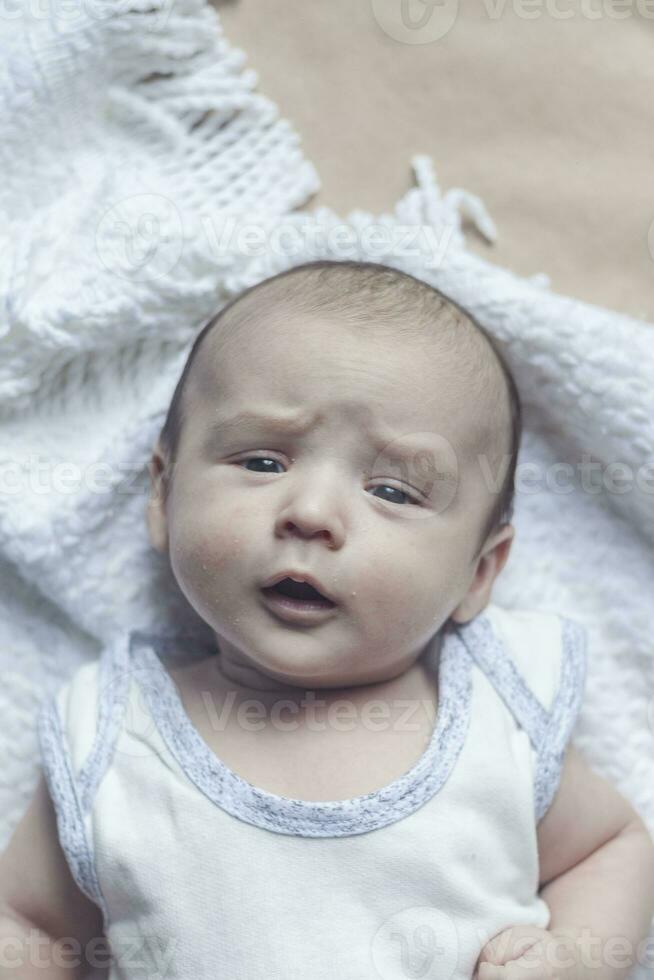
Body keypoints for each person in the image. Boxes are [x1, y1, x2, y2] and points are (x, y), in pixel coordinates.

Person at [1, 260, 653, 980]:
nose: (310, 513)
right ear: (163, 495)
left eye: (392, 491)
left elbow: (613, 847)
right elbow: (29, 923)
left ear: (478, 574)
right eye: (260, 461)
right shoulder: (111, 735)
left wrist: (576, 959)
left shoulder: (503, 718)